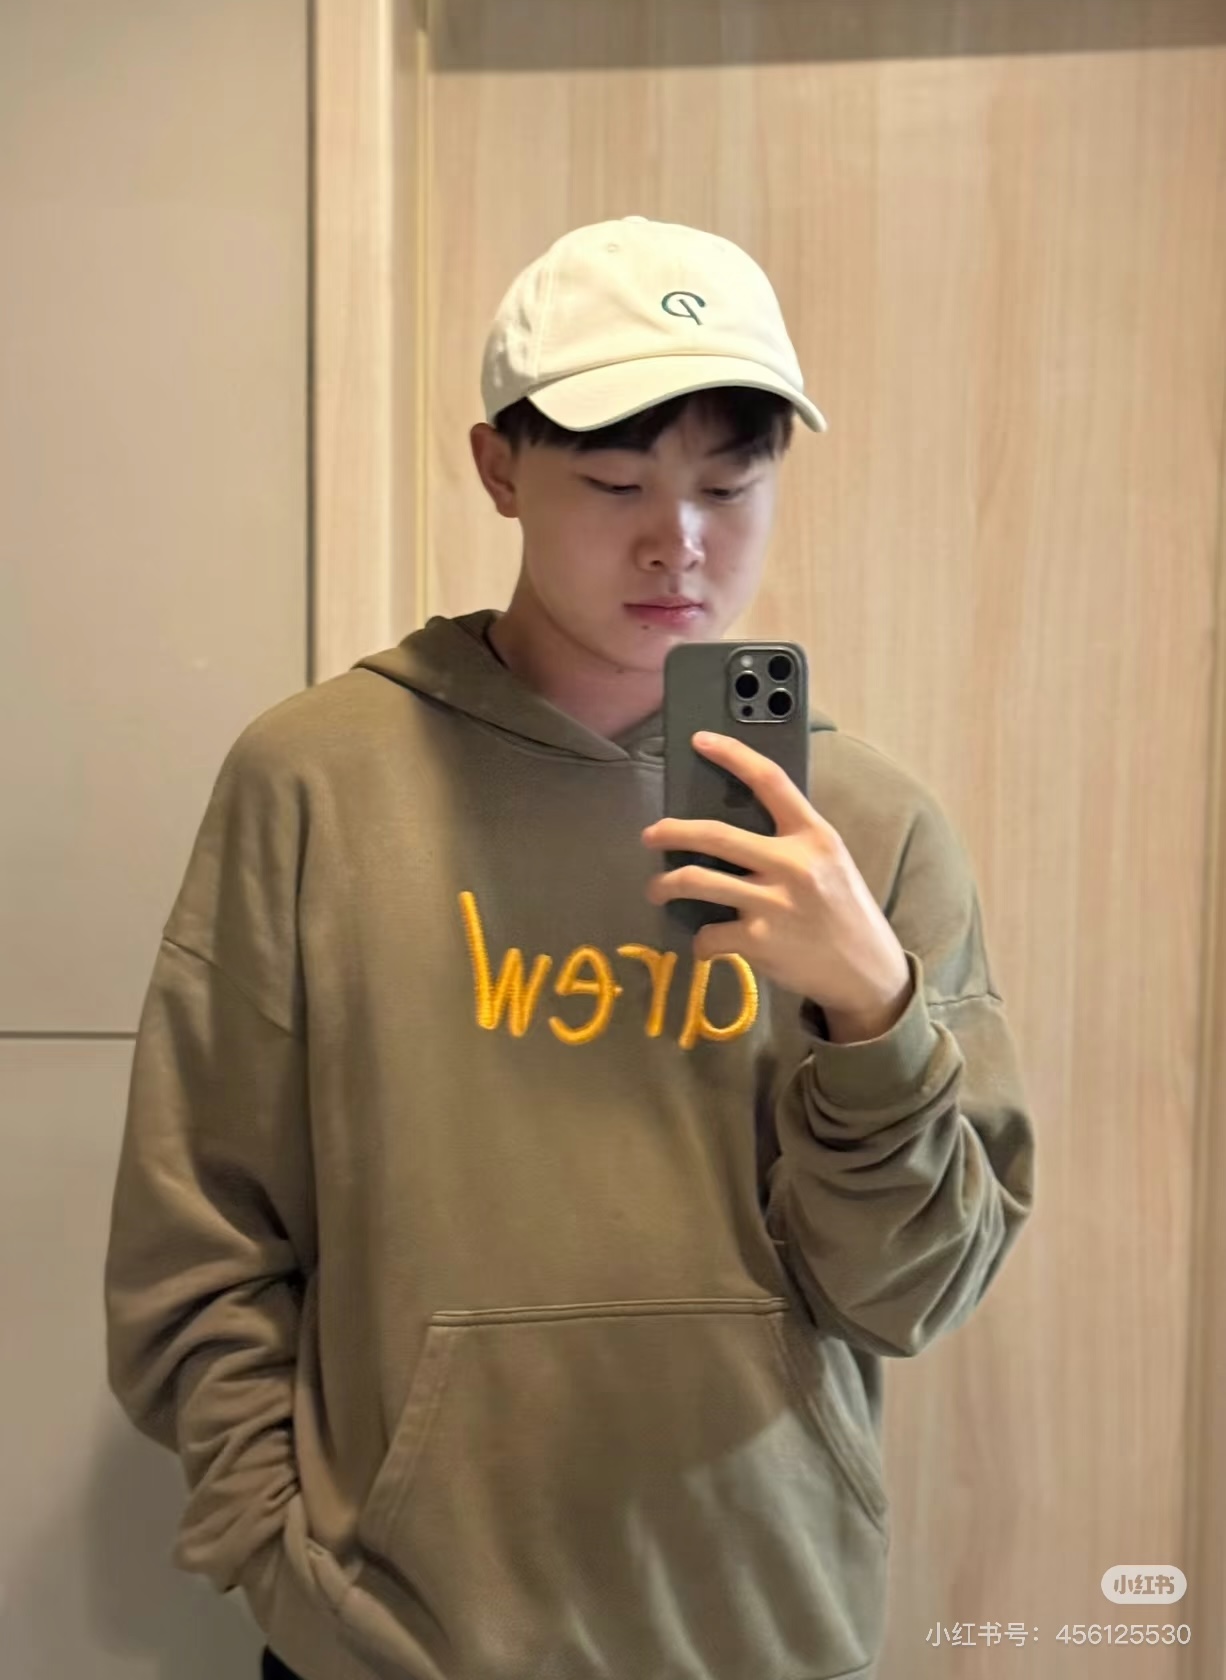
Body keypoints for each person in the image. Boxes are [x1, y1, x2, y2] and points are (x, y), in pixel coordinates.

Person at [103, 215, 1037, 1680]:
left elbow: (910, 1294)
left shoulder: (866, 829)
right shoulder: (317, 781)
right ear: (499, 470)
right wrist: (292, 1576)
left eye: (729, 485)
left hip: (759, 1632)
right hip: (385, 1643)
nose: (679, 541)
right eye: (615, 484)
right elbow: (200, 1239)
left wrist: (874, 1013)